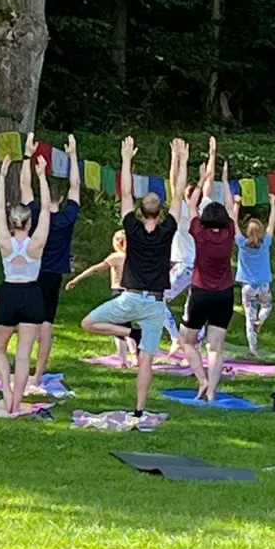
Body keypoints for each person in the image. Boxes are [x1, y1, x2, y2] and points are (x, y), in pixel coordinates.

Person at [80, 137, 183, 417]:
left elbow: (125, 192)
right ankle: (139, 409)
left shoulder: (132, 229)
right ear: (160, 213)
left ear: (140, 211)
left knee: (88, 323)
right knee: (146, 362)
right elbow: (178, 195)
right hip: (155, 305)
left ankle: (128, 333)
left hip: (130, 299)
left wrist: (126, 159)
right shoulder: (168, 229)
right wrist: (181, 160)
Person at [0, 154, 53, 415]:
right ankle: (17, 399)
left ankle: (7, 392)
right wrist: (42, 176)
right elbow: (46, 208)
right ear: (29, 222)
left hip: (9, 293)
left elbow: (0, 208)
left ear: (12, 223)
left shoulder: (4, 239)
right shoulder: (36, 243)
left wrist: (2, 176)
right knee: (23, 355)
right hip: (32, 294)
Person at [20, 132, 81, 393]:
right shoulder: (67, 218)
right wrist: (72, 156)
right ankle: (37, 375)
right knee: (46, 325)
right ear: (60, 200)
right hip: (53, 275)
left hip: (33, 273)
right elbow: (76, 187)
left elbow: (24, 186)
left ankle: (23, 366)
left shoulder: (33, 214)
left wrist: (27, 155)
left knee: (29, 322)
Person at [182, 138, 240, 402]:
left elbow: (192, 204)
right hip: (225, 295)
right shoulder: (229, 231)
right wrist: (224, 182)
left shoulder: (200, 232)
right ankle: (213, 391)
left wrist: (204, 175)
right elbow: (230, 208)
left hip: (202, 292)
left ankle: (202, 380)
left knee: (187, 340)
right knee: (215, 347)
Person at [67, 230, 137, 367]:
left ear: (117, 242)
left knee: (118, 328)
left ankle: (123, 361)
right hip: (133, 294)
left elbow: (96, 269)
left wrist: (77, 278)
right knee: (128, 325)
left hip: (119, 293)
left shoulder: (116, 257)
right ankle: (135, 357)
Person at [162, 137, 199, 352]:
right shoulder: (202, 211)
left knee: (156, 298)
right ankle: (191, 340)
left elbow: (174, 184)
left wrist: (175, 159)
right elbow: (177, 186)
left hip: (186, 265)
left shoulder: (185, 212)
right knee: (192, 306)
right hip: (197, 266)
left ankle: (177, 338)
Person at [236, 196, 275, 358]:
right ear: (261, 231)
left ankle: (253, 349)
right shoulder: (266, 242)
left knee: (248, 317)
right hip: (263, 285)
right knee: (266, 306)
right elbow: (272, 223)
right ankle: (261, 318)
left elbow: (233, 222)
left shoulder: (241, 243)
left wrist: (236, 205)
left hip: (248, 287)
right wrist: (273, 205)